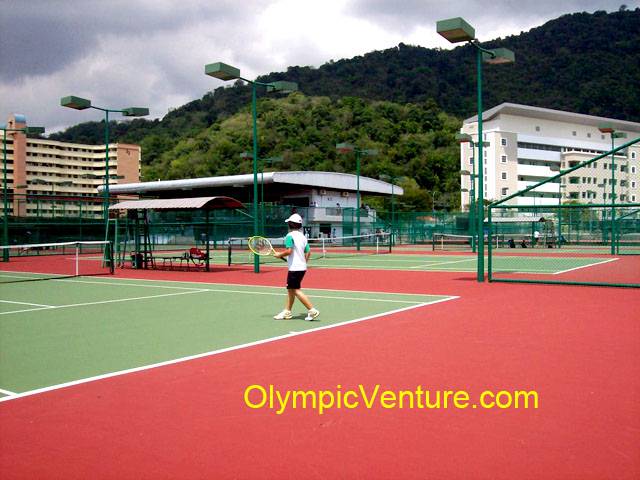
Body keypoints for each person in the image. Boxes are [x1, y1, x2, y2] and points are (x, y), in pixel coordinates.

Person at [273, 213, 320, 321]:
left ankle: (312, 310)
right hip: (302, 268)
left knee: (295, 290)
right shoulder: (302, 237)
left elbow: (289, 251)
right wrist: (303, 262)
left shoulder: (289, 236)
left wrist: (279, 255)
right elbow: (308, 252)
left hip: (295, 268)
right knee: (290, 289)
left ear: (290, 224)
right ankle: (287, 312)